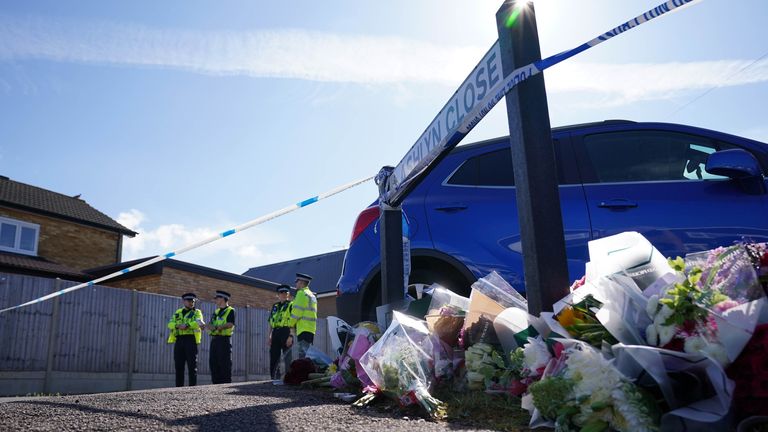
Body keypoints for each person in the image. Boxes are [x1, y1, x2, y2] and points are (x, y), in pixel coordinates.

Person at [167, 292, 205, 387]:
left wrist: (187, 325)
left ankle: (192, 387)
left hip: (190, 339)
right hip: (179, 340)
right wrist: (177, 325)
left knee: (192, 365)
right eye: (189, 301)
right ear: (183, 301)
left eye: (192, 301)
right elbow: (170, 324)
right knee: (178, 365)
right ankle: (179, 387)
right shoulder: (178, 312)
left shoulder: (197, 312)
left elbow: (198, 322)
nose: (191, 303)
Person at [206, 290, 235, 384]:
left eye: (217, 298)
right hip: (215, 339)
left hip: (224, 340)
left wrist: (218, 327)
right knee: (213, 362)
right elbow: (211, 324)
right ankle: (215, 385)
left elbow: (230, 324)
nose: (215, 300)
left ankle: (225, 385)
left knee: (224, 363)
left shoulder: (230, 310)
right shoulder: (216, 311)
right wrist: (207, 326)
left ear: (222, 299)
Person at [268, 284, 294, 381]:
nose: (283, 294)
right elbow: (270, 322)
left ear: (288, 294)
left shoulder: (291, 305)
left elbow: (293, 322)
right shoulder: (274, 306)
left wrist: (291, 336)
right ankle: (274, 377)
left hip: (286, 331)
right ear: (278, 295)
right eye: (281, 293)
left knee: (287, 357)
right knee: (274, 356)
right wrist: (269, 336)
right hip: (275, 332)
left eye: (285, 293)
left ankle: (289, 378)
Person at [288, 273, 317, 359]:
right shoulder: (311, 295)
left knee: (303, 355)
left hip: (303, 329)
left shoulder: (301, 293)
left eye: (297, 282)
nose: (296, 284)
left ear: (301, 282)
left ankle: (304, 372)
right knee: (308, 355)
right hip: (311, 329)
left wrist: (290, 324)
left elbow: (297, 312)